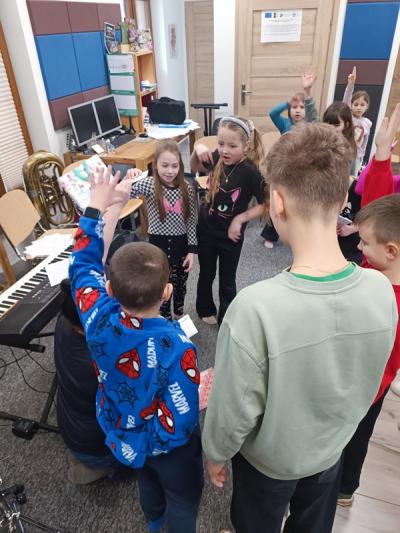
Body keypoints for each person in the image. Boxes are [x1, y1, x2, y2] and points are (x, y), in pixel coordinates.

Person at [201, 122, 397, 533]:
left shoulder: (253, 309)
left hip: (269, 464)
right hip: (332, 451)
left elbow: (233, 410)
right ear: (342, 199)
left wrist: (216, 452)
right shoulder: (383, 291)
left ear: (277, 202)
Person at [68, 166, 203, 533]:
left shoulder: (97, 314)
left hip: (122, 434)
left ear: (110, 289)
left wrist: (98, 207)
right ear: (167, 292)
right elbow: (180, 421)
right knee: (183, 499)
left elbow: (82, 264)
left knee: (148, 484)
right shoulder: (179, 348)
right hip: (166, 449)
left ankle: (154, 523)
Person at [338, 104, 400, 506]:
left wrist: (356, 394)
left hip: (365, 388)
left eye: (363, 244)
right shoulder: (381, 262)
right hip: (357, 378)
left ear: (390, 251)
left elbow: (385, 362)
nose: (359, 248)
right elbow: (378, 212)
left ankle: (345, 488)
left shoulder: (389, 302)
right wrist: (380, 157)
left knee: (356, 434)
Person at [190, 116, 266, 325]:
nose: (225, 150)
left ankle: (227, 316)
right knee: (206, 274)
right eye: (221, 144)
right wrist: (197, 151)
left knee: (227, 280)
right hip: (205, 231)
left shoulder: (250, 172)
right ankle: (204, 308)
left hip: (230, 237)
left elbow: (265, 204)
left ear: (246, 145)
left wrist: (240, 219)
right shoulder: (217, 157)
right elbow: (194, 167)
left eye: (232, 146)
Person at [55, 278, 125, 484]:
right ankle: (98, 468)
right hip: (94, 447)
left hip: (73, 425)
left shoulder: (65, 320)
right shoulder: (99, 364)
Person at [127, 139, 198, 320]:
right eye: (164, 165)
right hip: (157, 248)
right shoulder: (149, 184)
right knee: (161, 287)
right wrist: (130, 177)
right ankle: (165, 319)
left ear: (180, 165)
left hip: (181, 247)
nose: (170, 171)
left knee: (180, 286)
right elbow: (125, 193)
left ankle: (179, 315)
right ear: (155, 164)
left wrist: (192, 251)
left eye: (175, 166)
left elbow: (191, 222)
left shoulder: (187, 189)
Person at [263, 70, 318, 247]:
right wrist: (287, 102)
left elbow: (313, 114)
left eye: (301, 107)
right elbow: (273, 113)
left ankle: (297, 233)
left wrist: (307, 92)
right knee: (279, 200)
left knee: (299, 202)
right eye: (294, 107)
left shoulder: (309, 125)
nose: (297, 110)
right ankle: (270, 234)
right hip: (285, 168)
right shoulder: (285, 124)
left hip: (303, 169)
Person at [343, 66, 372, 174]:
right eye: (356, 104)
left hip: (357, 156)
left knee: (352, 177)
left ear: (366, 107)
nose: (359, 107)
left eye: (362, 105)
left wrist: (361, 156)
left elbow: (365, 141)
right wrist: (350, 85)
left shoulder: (367, 123)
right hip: (344, 153)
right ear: (351, 105)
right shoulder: (349, 116)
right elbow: (346, 100)